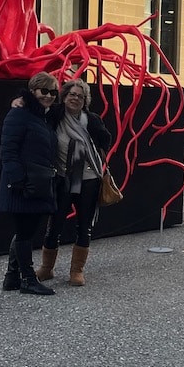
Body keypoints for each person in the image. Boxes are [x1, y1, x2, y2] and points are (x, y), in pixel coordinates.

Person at [37, 79, 113, 286]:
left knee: (84, 226)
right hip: (62, 179)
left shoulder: (92, 120)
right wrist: (18, 100)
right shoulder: (55, 115)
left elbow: (106, 138)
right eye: (72, 94)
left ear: (85, 100)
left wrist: (96, 154)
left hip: (89, 180)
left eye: (80, 96)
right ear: (64, 96)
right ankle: (46, 268)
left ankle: (77, 270)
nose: (75, 98)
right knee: (55, 224)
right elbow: (34, 107)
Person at [0, 72, 61, 296]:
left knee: (26, 230)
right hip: (24, 184)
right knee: (25, 232)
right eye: (44, 91)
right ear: (33, 91)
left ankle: (12, 276)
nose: (49, 96)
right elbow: (7, 150)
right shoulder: (20, 115)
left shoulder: (42, 116)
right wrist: (19, 181)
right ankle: (27, 279)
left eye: (53, 92)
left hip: (36, 183)